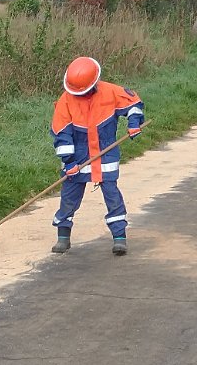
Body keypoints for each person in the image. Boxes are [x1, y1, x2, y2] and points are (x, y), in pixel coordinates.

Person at [51, 56, 145, 256]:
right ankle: (63, 237)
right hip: (77, 156)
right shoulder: (65, 101)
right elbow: (62, 134)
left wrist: (134, 123)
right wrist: (69, 162)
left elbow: (133, 104)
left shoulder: (111, 92)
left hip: (106, 152)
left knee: (112, 195)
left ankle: (119, 238)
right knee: (69, 197)